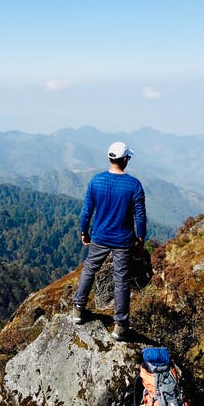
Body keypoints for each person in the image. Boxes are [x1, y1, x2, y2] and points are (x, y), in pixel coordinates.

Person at [72, 141, 147, 341]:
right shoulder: (134, 185)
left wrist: (83, 231)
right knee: (121, 280)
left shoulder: (96, 181)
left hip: (100, 236)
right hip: (123, 240)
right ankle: (120, 326)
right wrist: (141, 240)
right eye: (128, 157)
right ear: (125, 160)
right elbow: (140, 216)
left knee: (89, 269)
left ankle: (78, 310)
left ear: (110, 158)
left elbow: (87, 210)